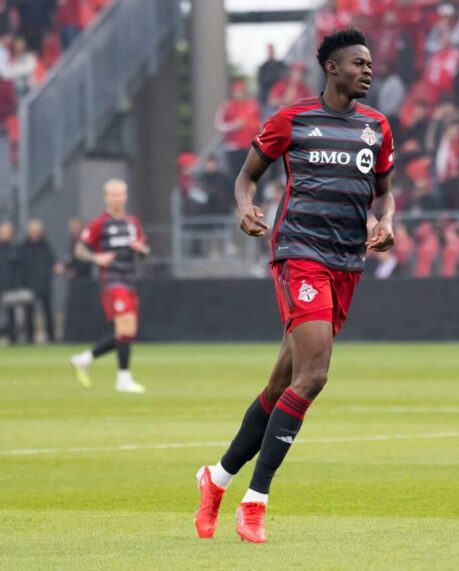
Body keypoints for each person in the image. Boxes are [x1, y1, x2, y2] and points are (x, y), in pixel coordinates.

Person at [193, 28, 396, 544]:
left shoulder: (377, 127)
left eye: (370, 63)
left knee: (282, 385)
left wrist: (386, 222)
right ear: (332, 68)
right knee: (315, 373)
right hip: (300, 255)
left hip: (347, 263)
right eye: (359, 63)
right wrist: (245, 209)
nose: (368, 70)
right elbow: (246, 176)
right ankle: (255, 502)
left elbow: (385, 193)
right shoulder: (293, 119)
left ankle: (215, 479)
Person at [69, 179, 150, 393]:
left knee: (126, 331)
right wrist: (96, 258)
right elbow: (80, 249)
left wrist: (141, 249)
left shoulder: (132, 222)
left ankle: (85, 358)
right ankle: (123, 378)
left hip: (130, 279)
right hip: (112, 282)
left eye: (122, 194)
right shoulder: (99, 224)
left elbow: (145, 251)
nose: (119, 198)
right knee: (125, 326)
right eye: (114, 194)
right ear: (106, 198)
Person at [19, 219, 60, 343]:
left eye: (37, 231)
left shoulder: (46, 246)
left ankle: (51, 337)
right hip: (29, 284)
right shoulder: (23, 247)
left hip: (44, 283)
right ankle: (29, 338)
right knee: (28, 313)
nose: (35, 233)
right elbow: (21, 267)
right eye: (33, 231)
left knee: (47, 311)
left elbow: (53, 262)